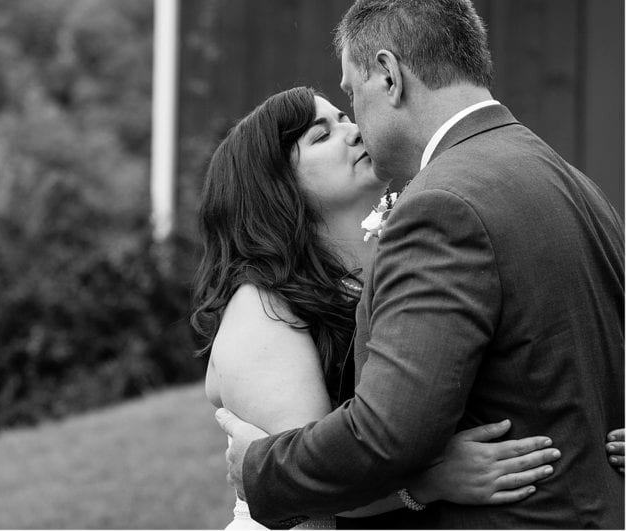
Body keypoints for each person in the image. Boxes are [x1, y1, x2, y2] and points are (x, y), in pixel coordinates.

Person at [215, 0, 625, 528]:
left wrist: (260, 469)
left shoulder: (442, 203)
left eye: (352, 94)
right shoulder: (572, 181)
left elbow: (390, 433)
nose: (355, 121)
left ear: (389, 74)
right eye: (324, 130)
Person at [193, 87, 572, 529]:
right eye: (321, 135)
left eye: (344, 118)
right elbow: (307, 483)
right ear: (275, 186)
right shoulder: (262, 307)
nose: (354, 132)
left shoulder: (399, 256)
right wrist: (430, 484)